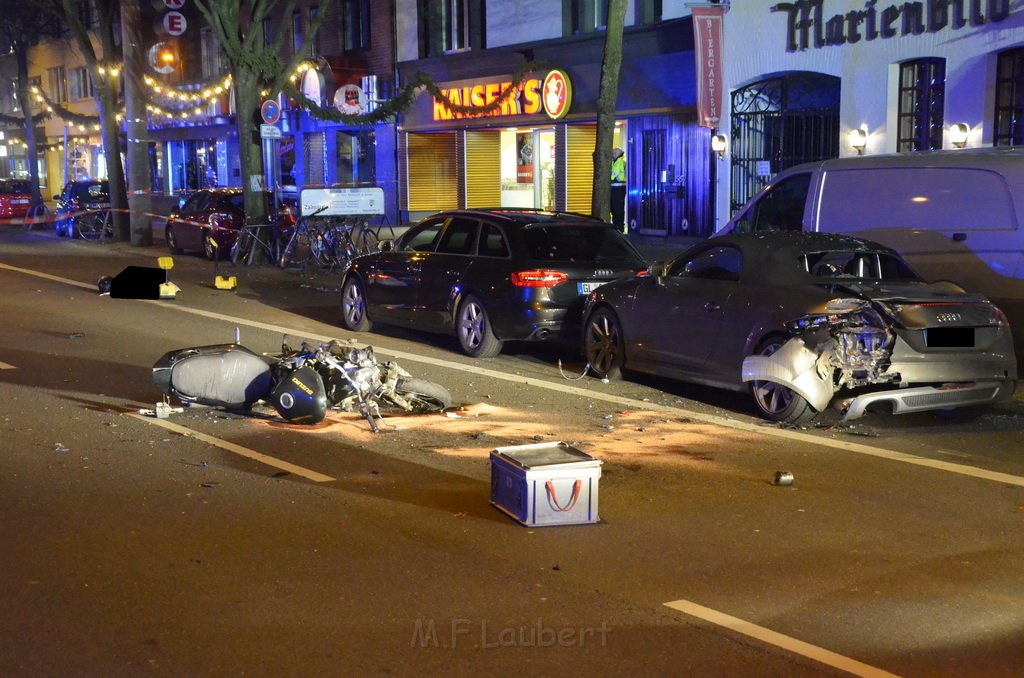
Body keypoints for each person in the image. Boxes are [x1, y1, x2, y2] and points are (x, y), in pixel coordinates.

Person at [610, 147, 626, 232]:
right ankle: (619, 226)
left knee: (616, 209)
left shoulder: (618, 162)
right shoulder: (621, 161)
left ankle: (618, 227)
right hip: (620, 189)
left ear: (616, 154)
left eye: (613, 154)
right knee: (618, 208)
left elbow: (612, 176)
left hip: (617, 189)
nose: (612, 155)